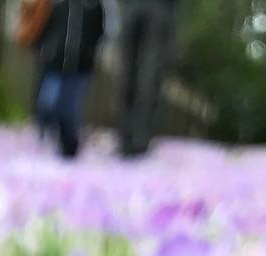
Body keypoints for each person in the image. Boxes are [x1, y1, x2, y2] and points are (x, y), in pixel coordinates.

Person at [34, 0, 108, 159]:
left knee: (70, 109)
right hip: (55, 63)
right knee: (47, 103)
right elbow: (45, 26)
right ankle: (50, 132)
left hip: (81, 67)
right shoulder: (58, 4)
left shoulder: (94, 5)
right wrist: (45, 49)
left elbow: (99, 32)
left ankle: (69, 146)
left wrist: (90, 53)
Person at [118, 0, 177, 157]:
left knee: (143, 76)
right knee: (140, 76)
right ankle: (134, 137)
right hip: (149, 9)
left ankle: (133, 137)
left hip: (149, 9)